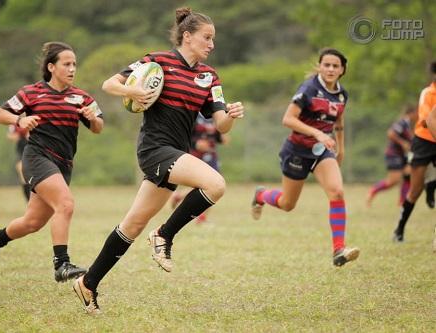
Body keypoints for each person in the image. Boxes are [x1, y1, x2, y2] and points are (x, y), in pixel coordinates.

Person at [73, 7, 245, 314]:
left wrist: (230, 116)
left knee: (133, 224)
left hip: (177, 153)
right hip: (155, 150)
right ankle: (164, 234)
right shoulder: (158, 62)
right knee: (215, 185)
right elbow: (109, 84)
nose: (212, 44)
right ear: (187, 36)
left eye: (213, 39)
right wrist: (132, 90)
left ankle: (88, 283)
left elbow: (220, 124)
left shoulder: (209, 76)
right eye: (207, 38)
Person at [0, 41, 104, 282]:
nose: (72, 69)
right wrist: (19, 121)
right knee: (66, 204)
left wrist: (93, 118)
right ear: (51, 67)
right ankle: (62, 265)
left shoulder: (81, 97)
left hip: (63, 164)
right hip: (37, 158)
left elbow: (98, 127)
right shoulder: (31, 92)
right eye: (66, 64)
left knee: (32, 222)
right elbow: (0, 114)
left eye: (74, 64)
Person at [250, 48, 360, 267]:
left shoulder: (341, 95)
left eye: (335, 66)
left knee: (337, 192)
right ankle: (261, 195)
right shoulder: (309, 89)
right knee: (288, 204)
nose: (330, 69)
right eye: (326, 64)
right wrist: (317, 133)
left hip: (322, 152)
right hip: (297, 151)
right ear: (319, 66)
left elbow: (338, 123)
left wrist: (342, 148)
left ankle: (339, 250)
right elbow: (288, 119)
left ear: (342, 70)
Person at [393, 61, 436, 242]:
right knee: (415, 190)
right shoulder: (428, 93)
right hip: (424, 141)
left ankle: (432, 185)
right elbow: (429, 120)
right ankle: (399, 230)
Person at [170, 113, 230, 223]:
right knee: (204, 186)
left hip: (211, 156)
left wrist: (222, 136)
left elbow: (218, 136)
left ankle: (200, 216)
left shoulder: (214, 114)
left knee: (216, 185)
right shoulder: (192, 113)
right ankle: (185, 202)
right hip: (196, 155)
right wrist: (195, 144)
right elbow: (183, 135)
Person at [366, 105, 417, 207]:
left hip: (403, 155)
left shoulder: (409, 125)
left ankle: (402, 202)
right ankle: (373, 190)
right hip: (393, 154)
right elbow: (390, 133)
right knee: (393, 181)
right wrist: (403, 143)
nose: (418, 115)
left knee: (409, 175)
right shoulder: (402, 122)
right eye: (417, 113)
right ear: (412, 113)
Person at [7, 123, 30, 201]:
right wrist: (20, 135)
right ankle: (29, 200)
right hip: (22, 151)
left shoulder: (34, 117)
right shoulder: (15, 122)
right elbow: (10, 136)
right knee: (22, 172)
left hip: (34, 150)